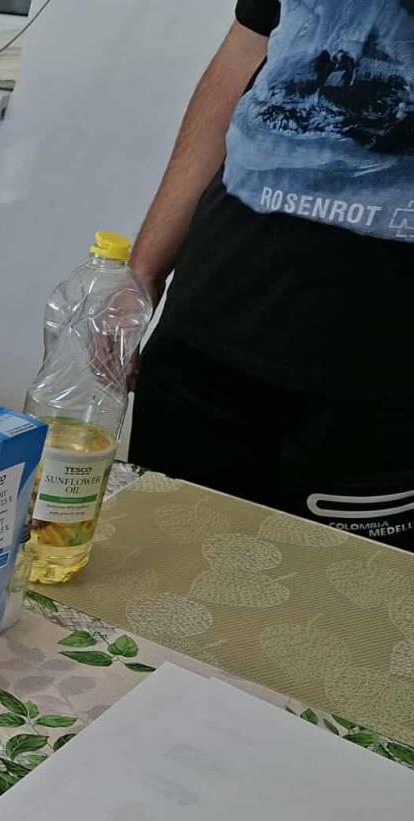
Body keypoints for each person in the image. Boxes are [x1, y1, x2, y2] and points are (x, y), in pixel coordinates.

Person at [128, 0, 414, 551]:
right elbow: (245, 53)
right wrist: (142, 273)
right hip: (208, 329)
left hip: (379, 379)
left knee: (339, 597)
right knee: (157, 565)